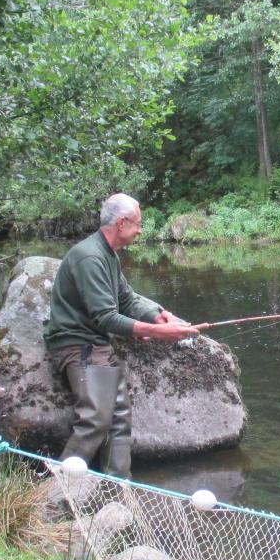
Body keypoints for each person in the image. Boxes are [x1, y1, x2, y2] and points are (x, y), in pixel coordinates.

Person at [44, 193, 197, 477]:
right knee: (95, 421)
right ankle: (56, 494)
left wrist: (157, 314)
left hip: (96, 346)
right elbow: (105, 317)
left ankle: (119, 490)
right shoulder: (90, 256)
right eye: (138, 224)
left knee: (119, 418)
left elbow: (125, 299)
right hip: (79, 347)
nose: (140, 230)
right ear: (122, 223)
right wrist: (159, 332)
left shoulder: (107, 254)